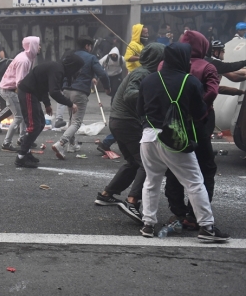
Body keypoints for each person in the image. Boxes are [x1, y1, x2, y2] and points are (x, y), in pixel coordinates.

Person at [137, 42, 229, 241]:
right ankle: (207, 227)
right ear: (182, 60)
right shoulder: (190, 81)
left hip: (148, 137)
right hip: (175, 138)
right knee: (194, 182)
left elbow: (139, 110)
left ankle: (148, 225)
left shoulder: (149, 79)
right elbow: (199, 112)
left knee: (151, 181)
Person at [93, 43, 165, 224]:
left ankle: (106, 194)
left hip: (119, 121)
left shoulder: (144, 72)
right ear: (157, 59)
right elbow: (131, 94)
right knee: (146, 163)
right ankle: (132, 201)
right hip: (126, 122)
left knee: (133, 162)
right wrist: (152, 96)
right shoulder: (144, 74)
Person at [162, 30, 219, 231]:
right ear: (203, 46)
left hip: (169, 124)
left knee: (174, 167)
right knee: (205, 168)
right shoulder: (207, 66)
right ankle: (194, 215)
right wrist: (198, 109)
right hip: (198, 124)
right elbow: (212, 91)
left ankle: (177, 212)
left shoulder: (163, 66)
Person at [14, 52, 84, 168]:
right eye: (77, 68)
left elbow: (43, 85)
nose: (78, 71)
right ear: (72, 66)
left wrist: (47, 104)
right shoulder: (57, 70)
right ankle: (21, 157)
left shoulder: (57, 68)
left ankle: (26, 153)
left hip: (33, 94)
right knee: (34, 126)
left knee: (40, 124)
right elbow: (54, 91)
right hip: (28, 93)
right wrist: (70, 104)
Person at [52, 36, 110, 159]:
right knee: (77, 122)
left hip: (66, 90)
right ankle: (61, 143)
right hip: (80, 91)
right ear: (87, 46)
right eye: (90, 46)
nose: (90, 48)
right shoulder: (91, 57)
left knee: (72, 118)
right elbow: (102, 74)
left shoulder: (69, 55)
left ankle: (72, 145)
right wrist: (107, 87)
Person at [0, 36, 39, 152]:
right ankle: (6, 143)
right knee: (19, 116)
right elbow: (20, 82)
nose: (40, 47)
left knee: (23, 115)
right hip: (10, 90)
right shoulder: (24, 60)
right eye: (38, 44)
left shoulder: (28, 57)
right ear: (32, 46)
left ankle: (22, 139)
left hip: (12, 89)